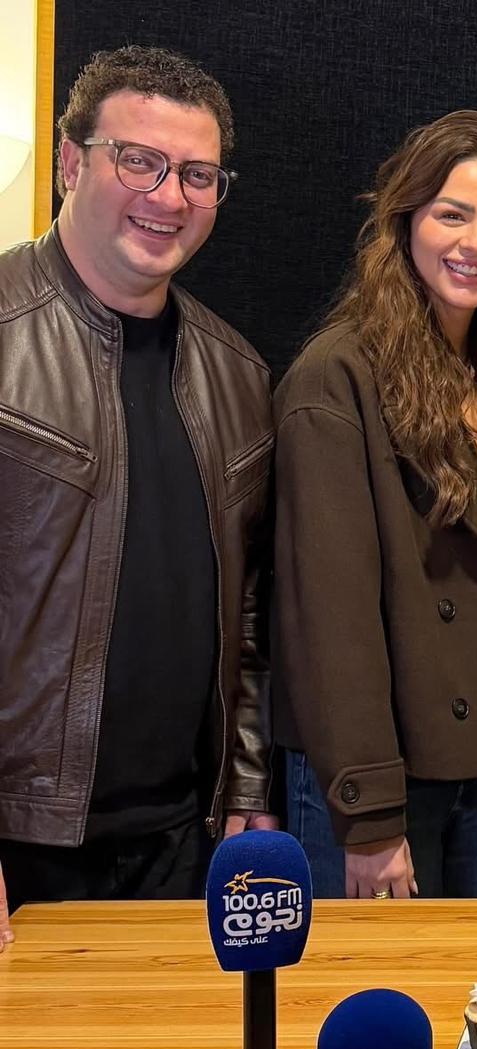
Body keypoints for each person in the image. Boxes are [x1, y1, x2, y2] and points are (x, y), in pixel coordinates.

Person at [0, 45, 275, 950]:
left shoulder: (239, 376)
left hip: (183, 845)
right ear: (70, 162)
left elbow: (248, 614)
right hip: (22, 845)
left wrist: (245, 790)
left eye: (197, 175)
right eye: (139, 160)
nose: (169, 196)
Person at [272, 112, 477, 899]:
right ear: (405, 220)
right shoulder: (337, 376)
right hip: (383, 779)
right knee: (381, 983)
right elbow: (329, 617)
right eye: (452, 215)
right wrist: (370, 817)